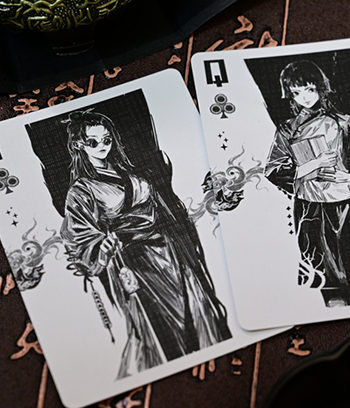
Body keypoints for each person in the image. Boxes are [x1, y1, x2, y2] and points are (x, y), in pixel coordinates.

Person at [59, 109, 231, 378]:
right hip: (134, 260)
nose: (102, 146)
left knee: (195, 306)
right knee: (157, 321)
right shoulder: (81, 190)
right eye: (93, 142)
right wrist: (102, 247)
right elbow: (78, 235)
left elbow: (161, 210)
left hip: (169, 249)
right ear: (79, 145)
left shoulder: (130, 173)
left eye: (107, 140)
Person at [265, 60, 350, 308]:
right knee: (328, 280)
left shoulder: (342, 122)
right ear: (289, 94)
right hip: (313, 212)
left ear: (320, 88)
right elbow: (273, 170)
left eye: (309, 89)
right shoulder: (286, 130)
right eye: (297, 92)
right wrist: (313, 165)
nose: (305, 97)